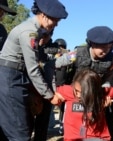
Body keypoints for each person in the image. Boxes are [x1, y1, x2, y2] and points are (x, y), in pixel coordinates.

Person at [0, 0, 68, 140]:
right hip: (10, 77)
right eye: (55, 20)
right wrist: (50, 96)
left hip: (16, 76)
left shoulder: (34, 31)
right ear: (43, 15)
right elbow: (33, 69)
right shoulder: (29, 32)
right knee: (19, 133)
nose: (56, 24)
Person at [54, 68, 113, 141]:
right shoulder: (68, 91)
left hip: (96, 137)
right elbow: (50, 90)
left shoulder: (101, 93)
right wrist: (54, 97)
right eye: (76, 90)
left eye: (83, 93)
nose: (78, 95)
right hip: (73, 138)